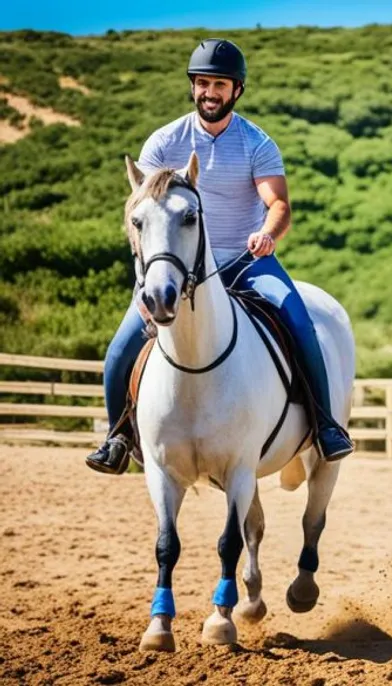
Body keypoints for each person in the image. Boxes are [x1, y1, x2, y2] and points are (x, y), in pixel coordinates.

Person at [85, 39, 353, 475]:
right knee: (119, 350)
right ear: (193, 87)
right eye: (203, 83)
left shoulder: (256, 143)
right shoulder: (164, 142)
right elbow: (143, 213)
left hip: (247, 263)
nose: (210, 92)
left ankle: (325, 426)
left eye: (220, 85)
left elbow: (279, 205)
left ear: (236, 90)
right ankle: (117, 437)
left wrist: (267, 235)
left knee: (299, 321)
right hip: (176, 273)